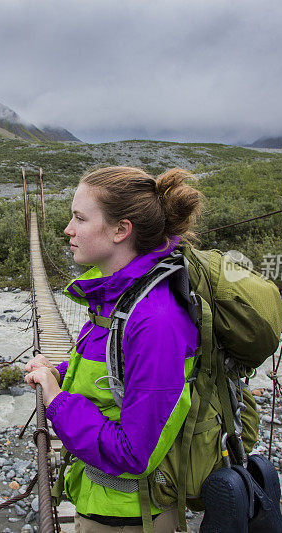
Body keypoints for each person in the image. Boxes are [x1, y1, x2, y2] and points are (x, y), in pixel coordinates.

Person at [25, 165, 203, 532]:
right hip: (104, 501)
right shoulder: (114, 296)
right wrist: (57, 373)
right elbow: (109, 371)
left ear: (121, 230)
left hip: (131, 517)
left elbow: (133, 451)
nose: (67, 229)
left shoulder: (154, 320)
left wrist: (57, 399)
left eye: (79, 218)